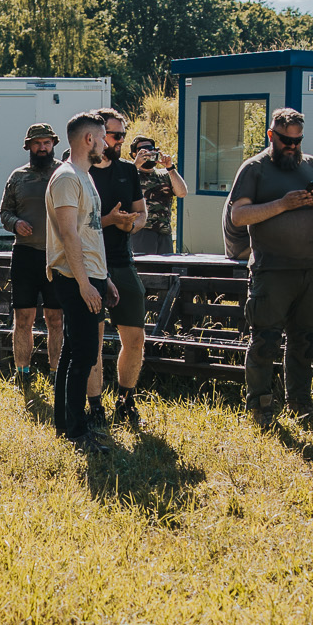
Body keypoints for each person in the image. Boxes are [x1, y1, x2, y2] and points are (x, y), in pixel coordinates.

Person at [228, 109, 313, 427]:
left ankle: (300, 402)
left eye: (297, 140)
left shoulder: (312, 165)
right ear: (271, 135)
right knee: (265, 340)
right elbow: (238, 216)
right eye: (285, 140)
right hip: (272, 271)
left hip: (310, 270)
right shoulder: (254, 168)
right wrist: (282, 204)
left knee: (305, 340)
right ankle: (261, 404)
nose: (292, 146)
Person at [45, 113, 119, 451]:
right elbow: (69, 235)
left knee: (76, 351)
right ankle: (76, 433)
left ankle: (67, 426)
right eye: (103, 137)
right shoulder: (66, 178)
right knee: (85, 353)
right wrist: (85, 283)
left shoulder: (84, 176)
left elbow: (90, 232)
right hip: (75, 278)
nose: (106, 144)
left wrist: (104, 279)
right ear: (88, 139)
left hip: (91, 275)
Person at [89, 113, 149, 430]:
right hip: (90, 264)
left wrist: (132, 223)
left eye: (123, 136)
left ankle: (126, 400)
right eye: (114, 136)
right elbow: (71, 228)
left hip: (123, 262)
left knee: (135, 337)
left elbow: (142, 213)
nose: (120, 142)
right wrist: (110, 220)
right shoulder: (78, 173)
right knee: (94, 342)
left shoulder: (127, 171)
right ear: (98, 136)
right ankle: (95, 406)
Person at [1, 124, 65, 390]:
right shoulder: (17, 177)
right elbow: (4, 212)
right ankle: (22, 374)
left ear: (53, 144)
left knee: (56, 319)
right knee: (23, 319)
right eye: (37, 143)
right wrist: (15, 223)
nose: (42, 148)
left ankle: (56, 373)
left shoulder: (64, 173)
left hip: (57, 255)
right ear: (28, 146)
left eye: (47, 143)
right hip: (25, 255)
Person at [132, 136, 188, 256]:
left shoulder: (165, 175)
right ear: (134, 154)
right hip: (141, 232)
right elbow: (121, 188)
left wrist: (170, 168)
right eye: (143, 150)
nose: (148, 153)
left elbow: (182, 193)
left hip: (164, 233)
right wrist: (136, 164)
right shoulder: (131, 174)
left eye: (151, 149)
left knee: (165, 271)